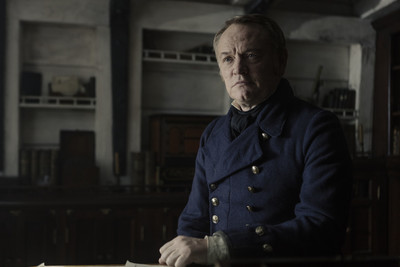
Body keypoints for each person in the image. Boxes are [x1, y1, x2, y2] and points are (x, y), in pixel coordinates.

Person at [158, 14, 352, 267]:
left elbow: (322, 227)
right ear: (220, 70)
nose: (238, 69)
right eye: (227, 58)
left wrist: (221, 246)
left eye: (251, 56)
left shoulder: (316, 127)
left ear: (280, 62)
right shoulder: (213, 133)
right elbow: (194, 220)